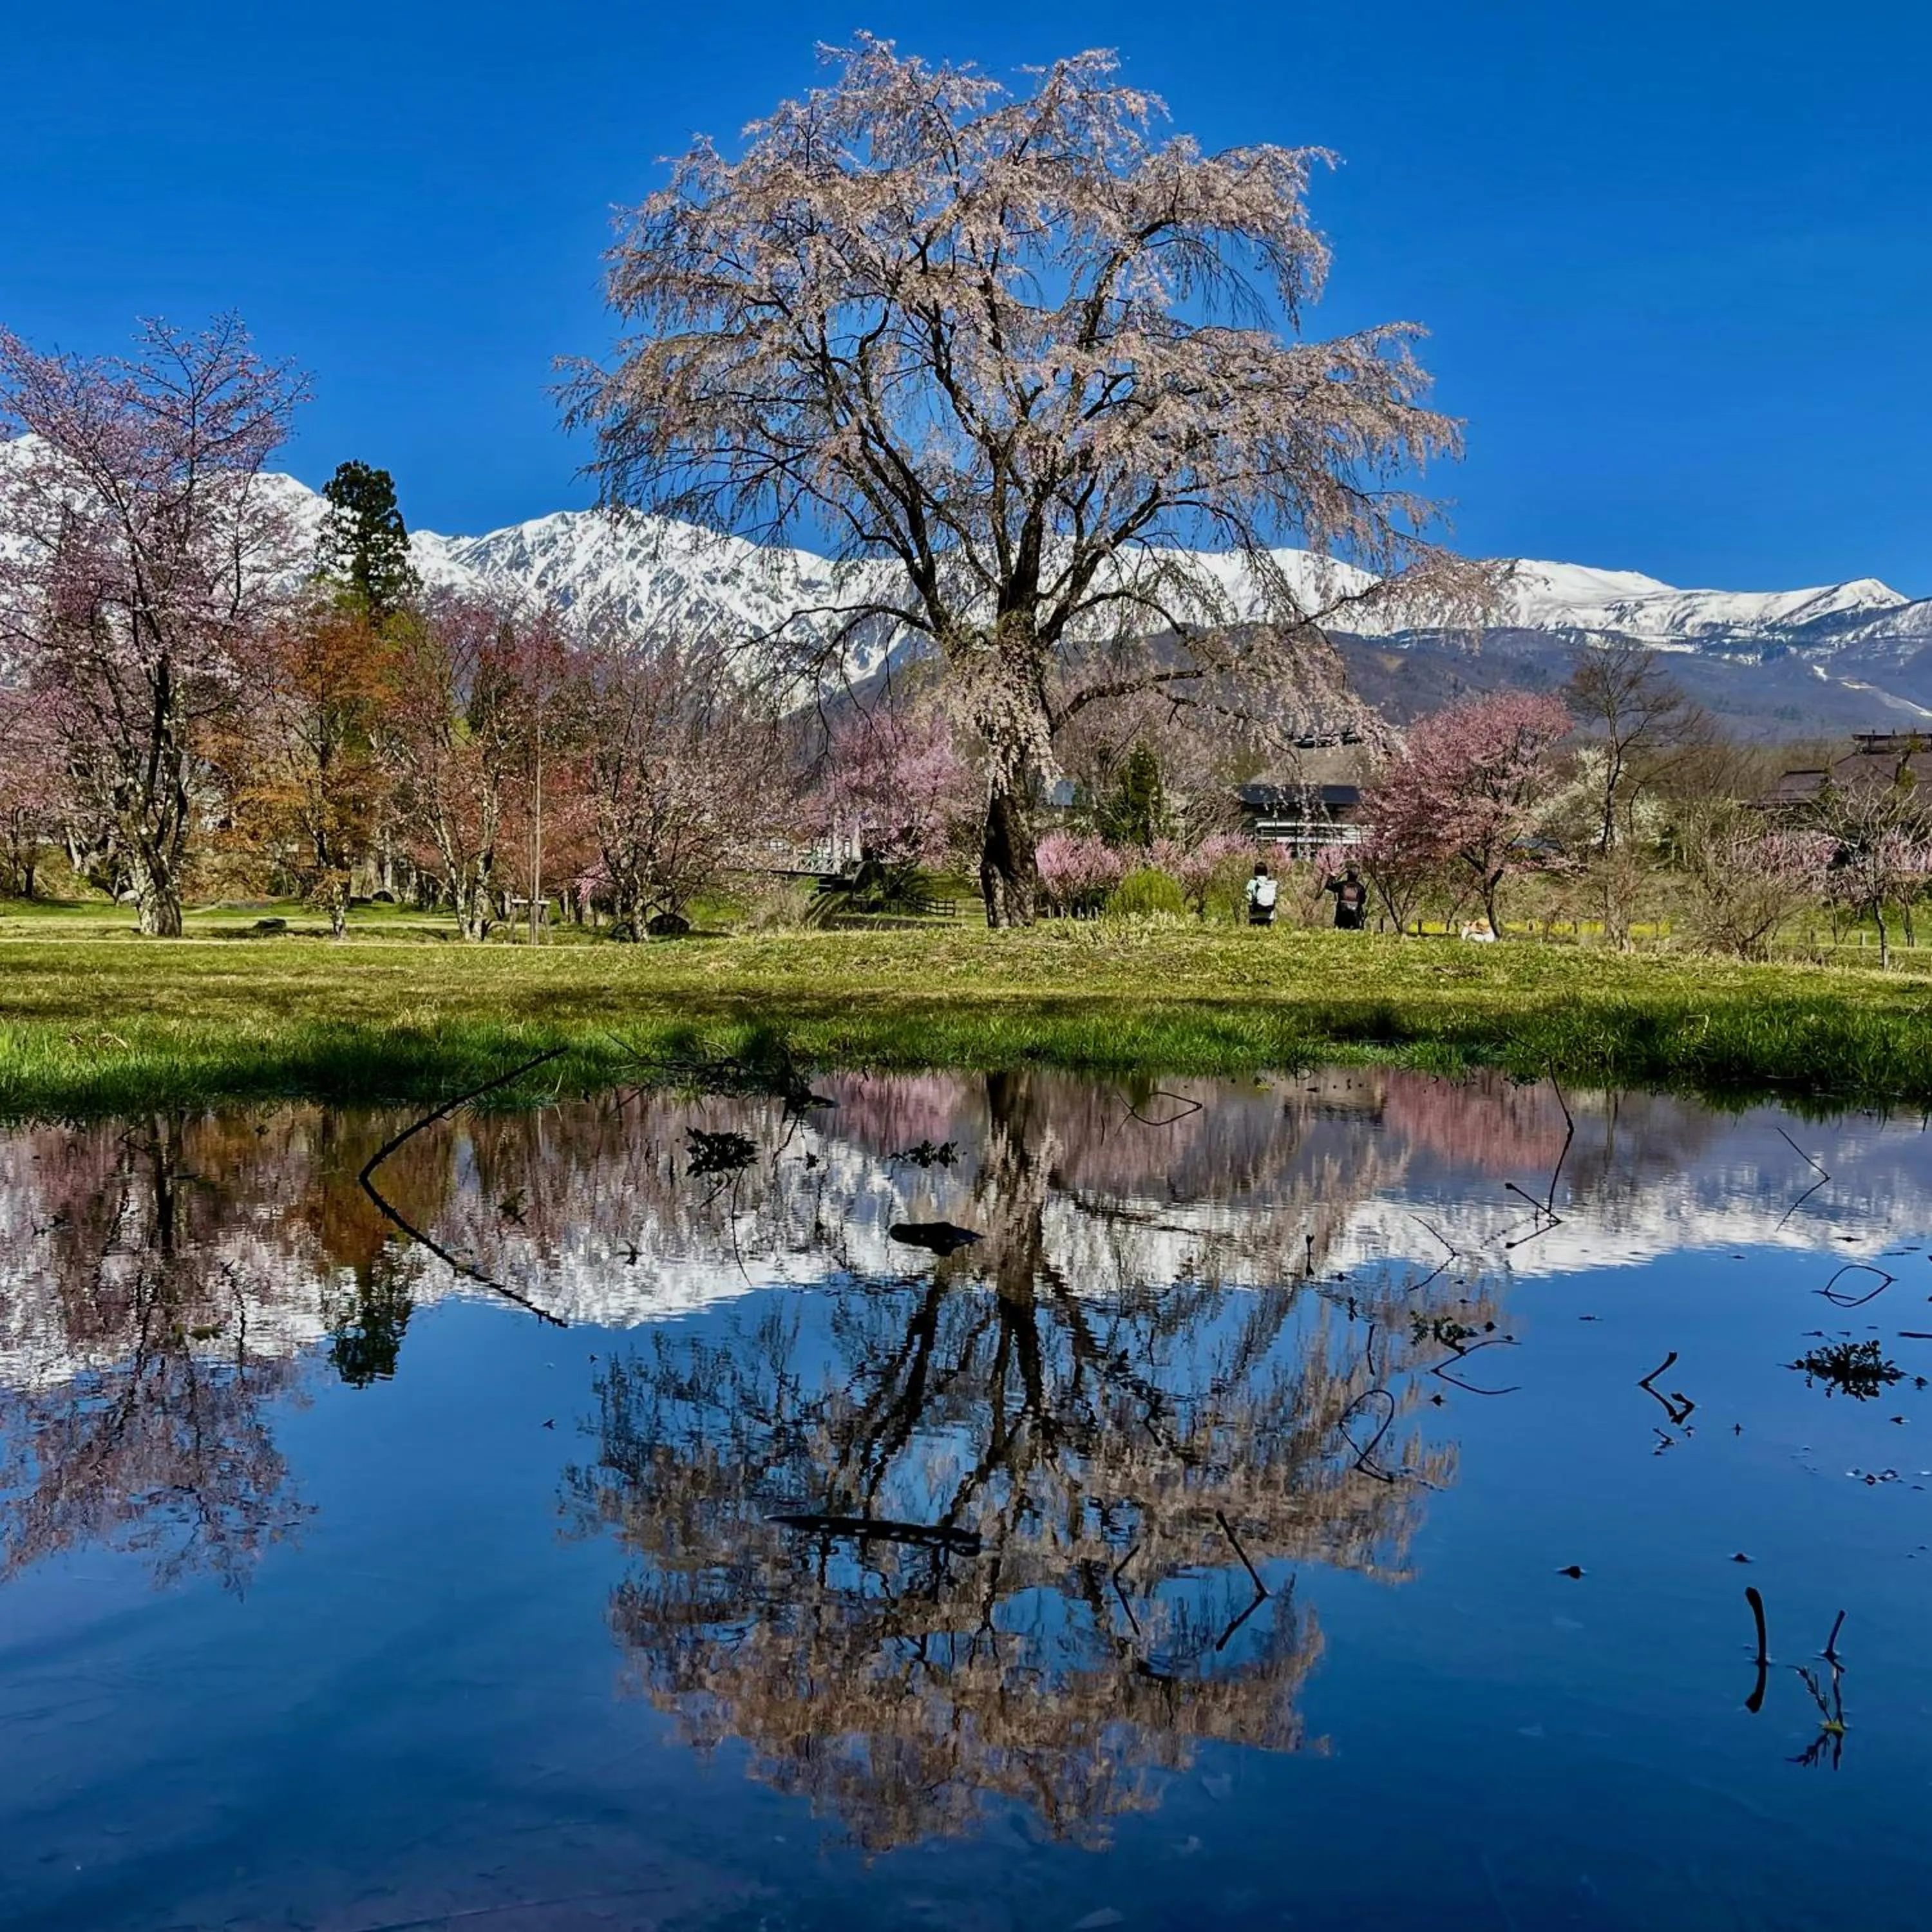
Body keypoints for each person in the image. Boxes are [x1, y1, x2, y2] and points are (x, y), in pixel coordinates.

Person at [1325, 864, 1368, 931]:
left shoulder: (1342, 885)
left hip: (1341, 916)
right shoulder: (1360, 888)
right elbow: (1363, 901)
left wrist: (1331, 877)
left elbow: (1329, 886)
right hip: (1355, 918)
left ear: (1348, 875)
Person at [1244, 862, 1278, 927]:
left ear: (1255, 872)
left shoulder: (1252, 882)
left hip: (1255, 915)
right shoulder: (1271, 883)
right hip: (1268, 915)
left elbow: (1249, 897)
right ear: (1266, 872)